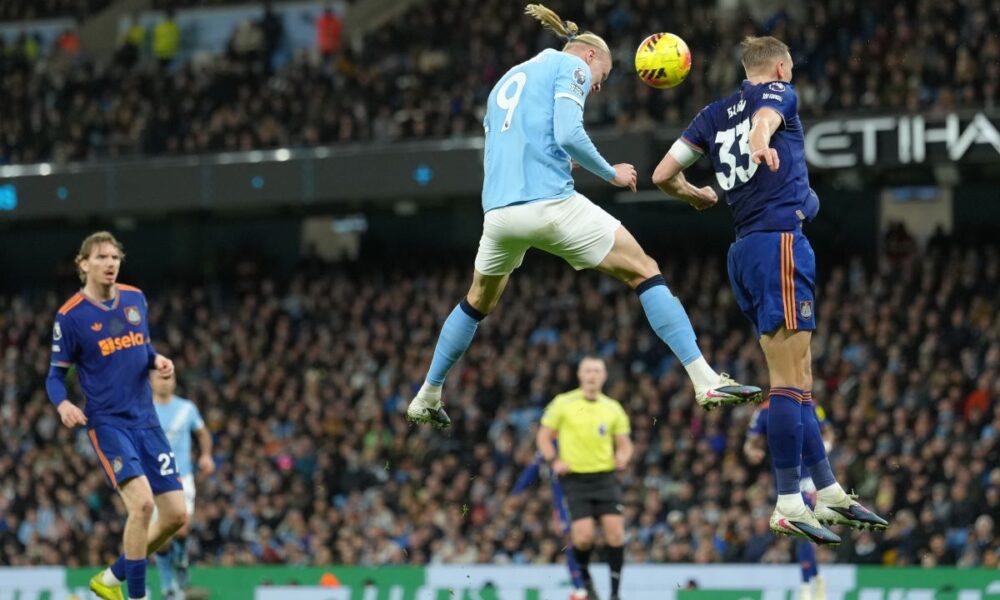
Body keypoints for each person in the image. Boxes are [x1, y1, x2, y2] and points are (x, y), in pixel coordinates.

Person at [406, 3, 761, 428]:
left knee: (477, 300)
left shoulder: (507, 80)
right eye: (603, 78)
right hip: (549, 205)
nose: (596, 88)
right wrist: (610, 172)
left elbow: (524, 147)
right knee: (644, 271)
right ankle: (704, 379)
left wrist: (563, 164)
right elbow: (568, 133)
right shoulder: (570, 68)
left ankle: (427, 393)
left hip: (499, 214)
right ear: (590, 56)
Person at [651, 35, 888, 543]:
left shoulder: (711, 114)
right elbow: (765, 121)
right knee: (787, 380)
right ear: (780, 68)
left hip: (746, 249)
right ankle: (787, 501)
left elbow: (663, 173)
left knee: (799, 377)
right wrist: (761, 140)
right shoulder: (779, 94)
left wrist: (695, 195)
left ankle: (825, 492)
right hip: (777, 246)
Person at [46, 231, 187, 600]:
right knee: (141, 504)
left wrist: (157, 360)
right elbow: (54, 376)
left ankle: (110, 580)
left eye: (114, 257)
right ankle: (138, 596)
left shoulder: (135, 298)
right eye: (102, 257)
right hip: (108, 422)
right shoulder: (70, 316)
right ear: (84, 264)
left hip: (147, 419)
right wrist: (63, 405)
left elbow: (144, 345)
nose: (110, 263)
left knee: (176, 515)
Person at [536, 357, 631, 600]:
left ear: (604, 376)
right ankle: (587, 580)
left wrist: (622, 456)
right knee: (584, 536)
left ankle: (615, 594)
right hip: (575, 478)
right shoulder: (563, 403)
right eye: (587, 370)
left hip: (605, 477)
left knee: (616, 533)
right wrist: (554, 460)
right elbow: (543, 437)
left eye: (597, 371)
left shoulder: (613, 407)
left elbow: (624, 444)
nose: (592, 375)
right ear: (580, 375)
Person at [745, 401, 830, 600]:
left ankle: (805, 585)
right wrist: (751, 451)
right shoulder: (764, 411)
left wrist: (825, 446)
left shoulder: (812, 406)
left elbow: (828, 432)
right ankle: (816, 577)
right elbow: (750, 441)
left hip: (811, 476)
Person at [151, 371, 214, 599]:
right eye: (160, 378)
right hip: (154, 481)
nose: (165, 382)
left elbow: (203, 433)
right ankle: (168, 585)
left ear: (175, 381)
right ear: (151, 382)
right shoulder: (144, 409)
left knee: (182, 527)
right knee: (162, 538)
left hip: (182, 478)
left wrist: (206, 455)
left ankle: (181, 561)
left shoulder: (187, 408)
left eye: (169, 378)